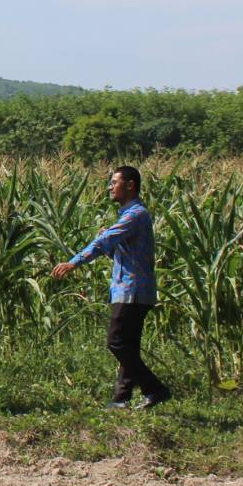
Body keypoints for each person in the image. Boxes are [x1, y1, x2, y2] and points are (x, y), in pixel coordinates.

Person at [51, 165, 171, 409]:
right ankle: (121, 398)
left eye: (114, 182)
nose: (110, 187)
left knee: (116, 342)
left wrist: (75, 262)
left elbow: (104, 241)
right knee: (128, 345)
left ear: (130, 185)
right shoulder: (131, 215)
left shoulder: (135, 214)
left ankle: (155, 389)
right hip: (134, 290)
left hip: (132, 290)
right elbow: (122, 251)